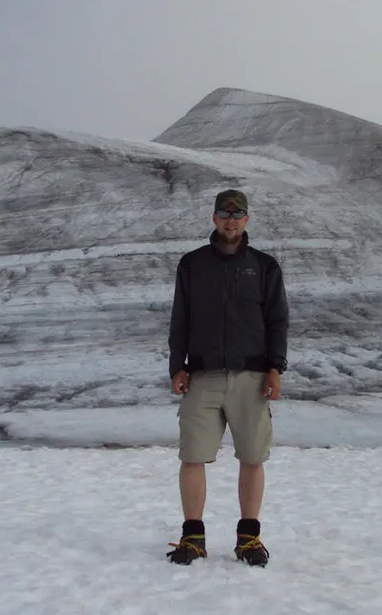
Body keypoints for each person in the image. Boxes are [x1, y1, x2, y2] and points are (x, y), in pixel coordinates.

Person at [165, 189, 289, 567]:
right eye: (224, 213)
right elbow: (181, 318)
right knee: (192, 456)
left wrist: (275, 368)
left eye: (237, 214)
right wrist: (177, 365)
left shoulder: (264, 267)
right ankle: (193, 537)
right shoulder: (193, 265)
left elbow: (277, 320)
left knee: (252, 457)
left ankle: (249, 539)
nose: (230, 220)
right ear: (214, 218)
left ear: (246, 219)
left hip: (252, 376)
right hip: (202, 375)